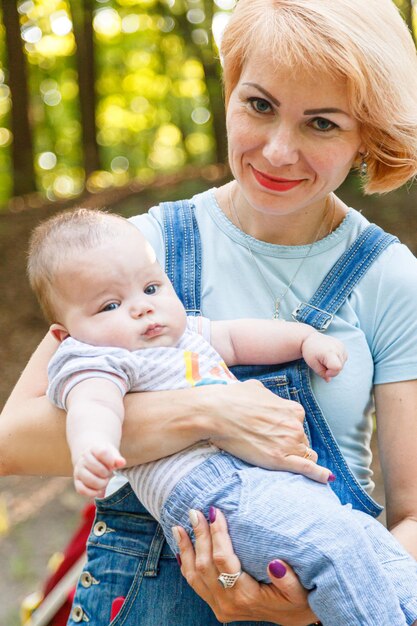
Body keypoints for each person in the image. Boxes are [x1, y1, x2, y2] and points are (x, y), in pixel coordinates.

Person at [1, 0, 417, 623]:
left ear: (369, 136)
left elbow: (413, 511)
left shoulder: (389, 276)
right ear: (229, 96)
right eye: (259, 105)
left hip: (331, 583)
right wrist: (212, 410)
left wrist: (304, 606)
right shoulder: (137, 250)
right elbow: (12, 443)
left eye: (322, 124)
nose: (278, 151)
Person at [28, 208, 417, 623]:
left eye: (152, 287)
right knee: (334, 547)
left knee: (374, 545)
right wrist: (94, 444)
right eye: (110, 305)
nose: (142, 308)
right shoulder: (96, 359)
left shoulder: (185, 333)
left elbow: (239, 336)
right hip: (211, 492)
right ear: (64, 336)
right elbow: (95, 405)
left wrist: (305, 339)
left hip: (276, 484)